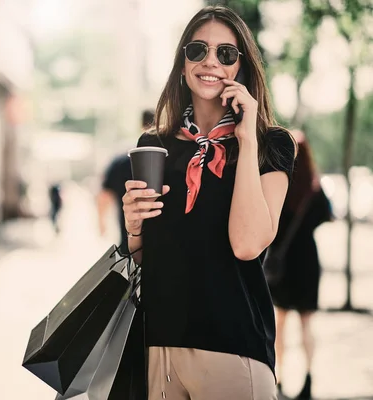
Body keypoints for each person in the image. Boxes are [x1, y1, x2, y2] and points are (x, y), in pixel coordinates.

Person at [122, 6, 296, 399]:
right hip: (159, 349)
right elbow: (146, 259)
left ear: (242, 68)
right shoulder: (154, 147)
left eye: (226, 54)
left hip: (233, 350)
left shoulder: (272, 145)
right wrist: (134, 229)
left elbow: (247, 244)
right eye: (197, 50)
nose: (210, 62)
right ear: (182, 63)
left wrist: (247, 138)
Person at [267, 130, 332, 399]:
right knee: (306, 325)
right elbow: (328, 215)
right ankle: (308, 379)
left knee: (279, 324)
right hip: (307, 261)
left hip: (282, 263)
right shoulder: (314, 189)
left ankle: (279, 379)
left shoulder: (279, 184)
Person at [97, 109, 155, 254]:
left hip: (130, 240)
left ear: (141, 125)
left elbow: (104, 195)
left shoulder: (122, 160)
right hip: (162, 244)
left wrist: (101, 222)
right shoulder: (172, 159)